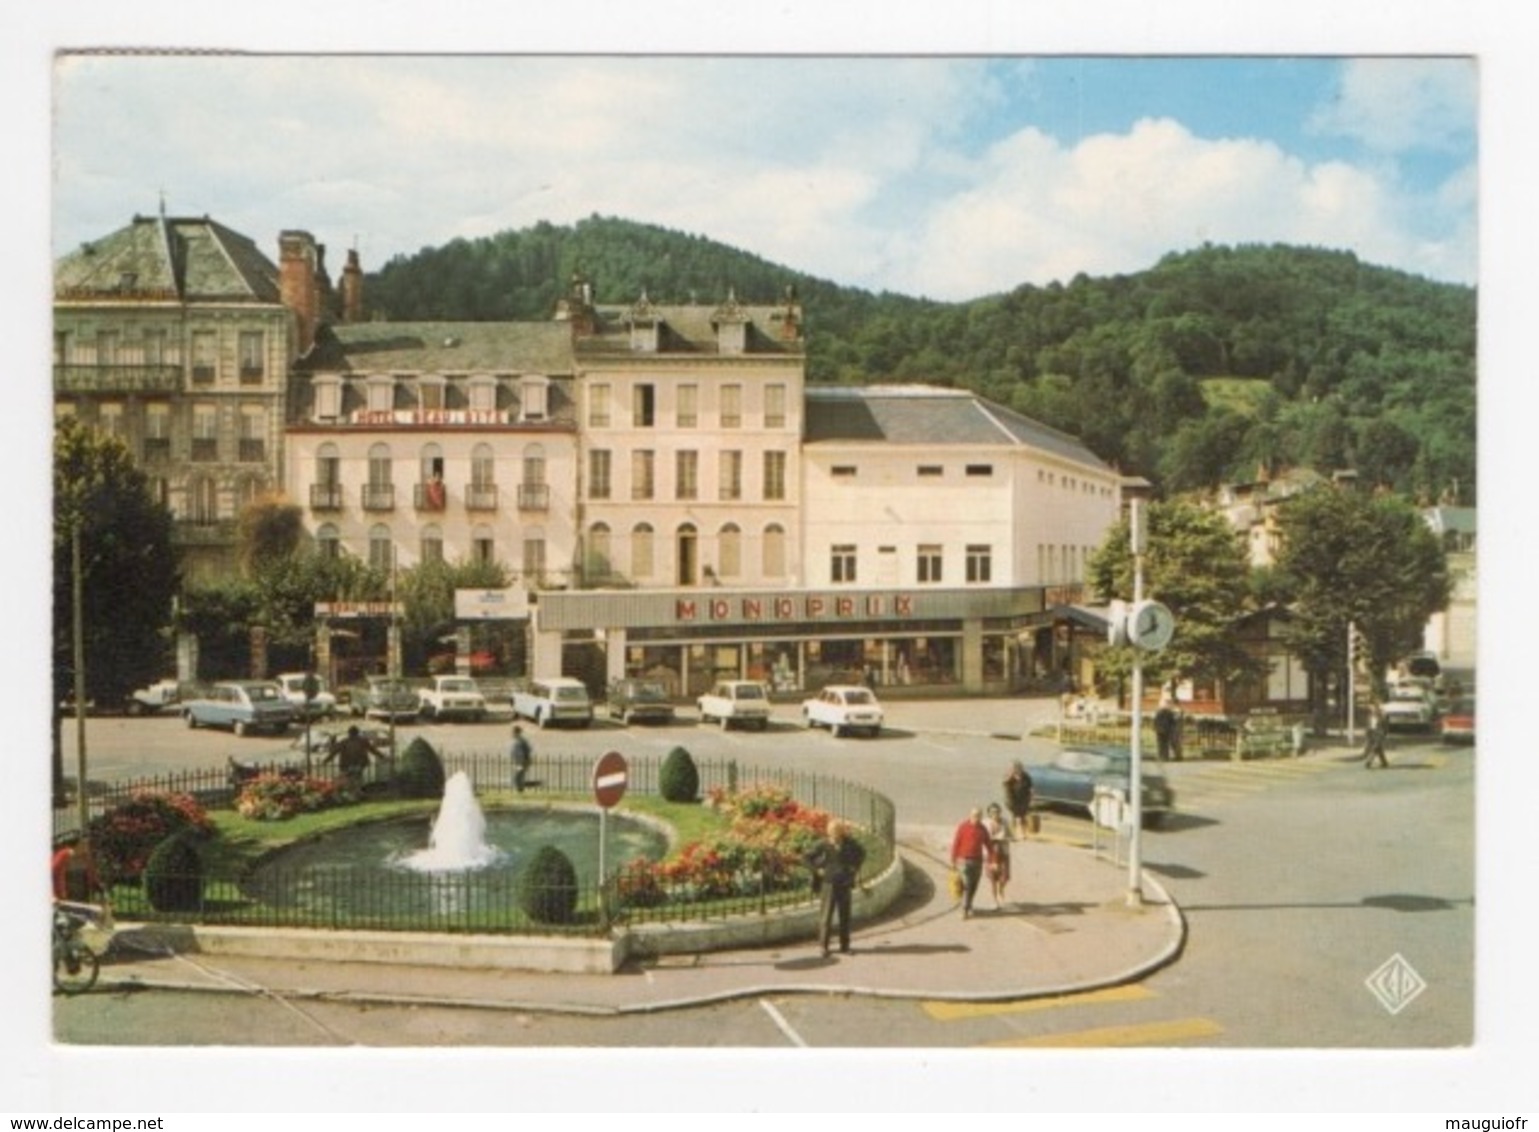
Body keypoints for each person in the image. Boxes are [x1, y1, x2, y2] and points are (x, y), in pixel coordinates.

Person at [805, 819, 866, 957]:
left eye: (838, 831)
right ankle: (823, 946)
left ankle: (845, 946)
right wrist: (817, 870)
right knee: (826, 917)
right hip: (829, 884)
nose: (835, 834)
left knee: (845, 916)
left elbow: (862, 853)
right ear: (828, 832)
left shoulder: (849, 843)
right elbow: (806, 858)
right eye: (832, 831)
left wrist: (854, 868)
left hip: (844, 883)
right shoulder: (823, 844)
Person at [950, 807, 993, 919]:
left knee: (974, 885)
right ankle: (964, 909)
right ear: (970, 816)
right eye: (974, 815)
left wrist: (992, 860)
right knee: (967, 885)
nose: (976, 818)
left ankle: (969, 905)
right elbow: (956, 843)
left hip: (977, 861)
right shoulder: (963, 827)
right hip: (963, 860)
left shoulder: (983, 829)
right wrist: (953, 860)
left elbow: (989, 845)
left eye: (979, 816)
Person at [983, 803, 1012, 908]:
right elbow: (984, 838)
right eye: (993, 812)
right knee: (993, 878)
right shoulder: (985, 823)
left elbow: (1010, 836)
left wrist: (1006, 838)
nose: (995, 814)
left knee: (1005, 877)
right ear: (989, 814)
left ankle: (1001, 889)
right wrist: (994, 838)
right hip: (990, 854)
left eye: (997, 811)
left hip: (1003, 852)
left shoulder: (1005, 822)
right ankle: (995, 900)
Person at [1002, 760, 1034, 840]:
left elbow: (1030, 787)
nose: (1019, 770)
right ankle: (1019, 834)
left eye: (1020, 768)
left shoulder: (1026, 776)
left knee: (1022, 817)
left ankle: (1021, 833)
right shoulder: (1010, 777)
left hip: (1024, 800)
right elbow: (1005, 786)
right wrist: (1009, 778)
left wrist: (1031, 796)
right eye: (1017, 768)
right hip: (1013, 801)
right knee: (1017, 818)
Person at [1363, 702, 1389, 769]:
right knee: (1378, 749)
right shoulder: (1370, 716)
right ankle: (1384, 762)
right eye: (1371, 708)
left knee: (1375, 748)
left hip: (1379, 734)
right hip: (1372, 733)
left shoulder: (1382, 716)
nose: (1372, 709)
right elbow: (1368, 726)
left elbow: (1385, 726)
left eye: (1373, 708)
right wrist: (1367, 733)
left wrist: (1384, 734)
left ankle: (1368, 762)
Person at [510, 724, 533, 793]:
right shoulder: (516, 740)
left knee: (518, 775)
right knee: (519, 775)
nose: (512, 733)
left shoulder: (522, 740)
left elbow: (528, 749)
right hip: (518, 760)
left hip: (522, 760)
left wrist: (526, 759)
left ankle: (519, 788)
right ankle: (519, 788)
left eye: (514, 732)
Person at [1154, 697, 1178, 762]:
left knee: (1161, 744)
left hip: (1161, 730)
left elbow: (1156, 721)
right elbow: (1173, 722)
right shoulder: (1169, 713)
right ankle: (1165, 756)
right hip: (1166, 730)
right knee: (1165, 744)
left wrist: (1156, 728)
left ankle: (1162, 756)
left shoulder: (1159, 713)